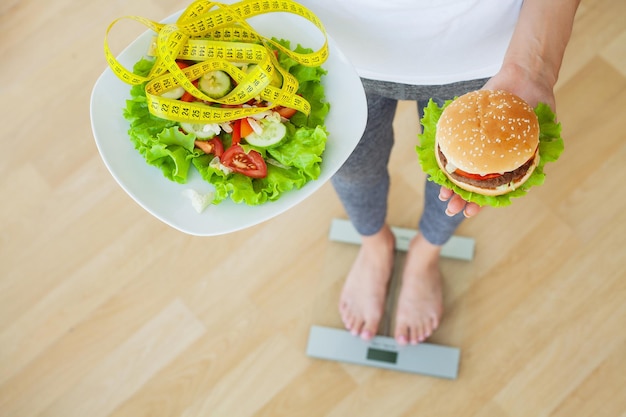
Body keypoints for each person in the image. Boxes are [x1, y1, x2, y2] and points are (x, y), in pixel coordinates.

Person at [297, 0, 581, 345]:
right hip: (328, 44)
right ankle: (374, 245)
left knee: (460, 186)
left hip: (485, 54)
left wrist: (534, 68)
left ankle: (425, 254)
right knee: (352, 169)